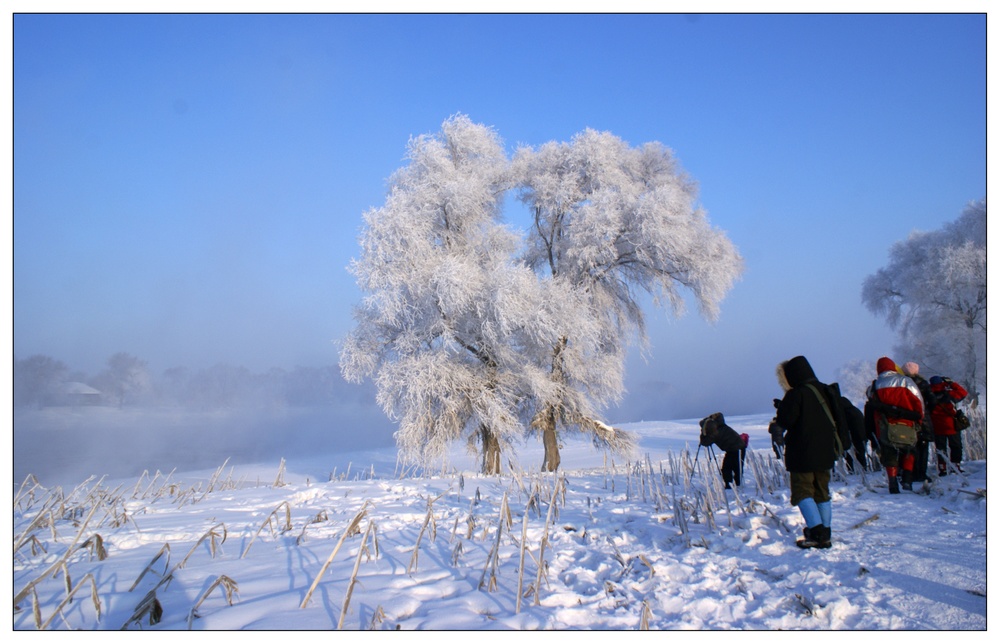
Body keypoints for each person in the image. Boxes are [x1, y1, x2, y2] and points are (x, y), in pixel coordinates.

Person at [775, 355, 842, 549]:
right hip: (826, 451)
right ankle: (825, 532)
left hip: (802, 453)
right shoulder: (826, 390)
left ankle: (816, 533)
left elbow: (786, 420)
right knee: (822, 491)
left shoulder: (796, 394)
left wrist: (781, 409)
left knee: (803, 491)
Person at [865, 357, 924, 493]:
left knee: (889, 453)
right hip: (907, 422)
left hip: (885, 425)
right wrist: (918, 420)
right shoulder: (906, 381)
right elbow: (918, 402)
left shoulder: (874, 386)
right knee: (909, 450)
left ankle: (892, 483)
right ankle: (907, 480)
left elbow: (872, 408)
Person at [901, 362, 935, 483]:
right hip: (923, 419)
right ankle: (922, 473)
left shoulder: (902, 384)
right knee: (923, 447)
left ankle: (910, 473)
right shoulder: (923, 384)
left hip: (907, 419)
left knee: (909, 447)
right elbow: (932, 401)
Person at [929, 376, 969, 475]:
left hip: (936, 425)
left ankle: (942, 468)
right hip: (951, 424)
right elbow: (963, 392)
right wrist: (951, 383)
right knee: (956, 446)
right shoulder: (949, 393)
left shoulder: (928, 394)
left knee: (940, 448)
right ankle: (956, 466)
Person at [698, 412, 748, 489]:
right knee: (737, 467)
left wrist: (703, 433)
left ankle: (730, 486)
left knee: (727, 468)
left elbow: (705, 442)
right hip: (739, 447)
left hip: (734, 449)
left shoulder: (715, 431)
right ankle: (736, 485)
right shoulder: (721, 426)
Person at [839, 396, 868, 472]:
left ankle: (851, 471)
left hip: (852, 437)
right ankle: (864, 470)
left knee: (849, 456)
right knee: (861, 455)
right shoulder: (856, 411)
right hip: (862, 436)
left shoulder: (844, 414)